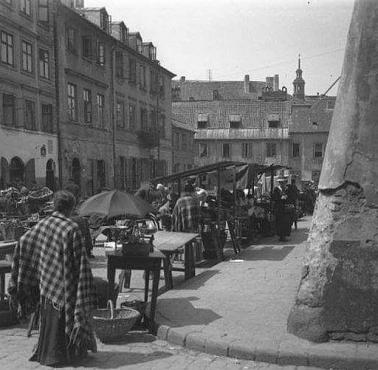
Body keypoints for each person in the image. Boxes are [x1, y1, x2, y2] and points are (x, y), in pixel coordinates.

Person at [8, 190, 97, 366]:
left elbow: (23, 241)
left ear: (55, 206)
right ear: (71, 208)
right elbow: (82, 262)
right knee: (66, 315)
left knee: (48, 319)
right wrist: (86, 283)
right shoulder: (71, 228)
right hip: (66, 285)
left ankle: (46, 354)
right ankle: (65, 355)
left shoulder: (42, 224)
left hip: (47, 283)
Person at [272, 177, 291, 242]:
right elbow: (274, 198)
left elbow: (291, 197)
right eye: (281, 182)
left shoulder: (288, 189)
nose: (282, 184)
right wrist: (281, 198)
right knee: (279, 223)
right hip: (279, 209)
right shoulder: (276, 189)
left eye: (283, 182)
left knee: (286, 223)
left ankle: (285, 236)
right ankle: (281, 236)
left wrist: (286, 197)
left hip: (286, 209)